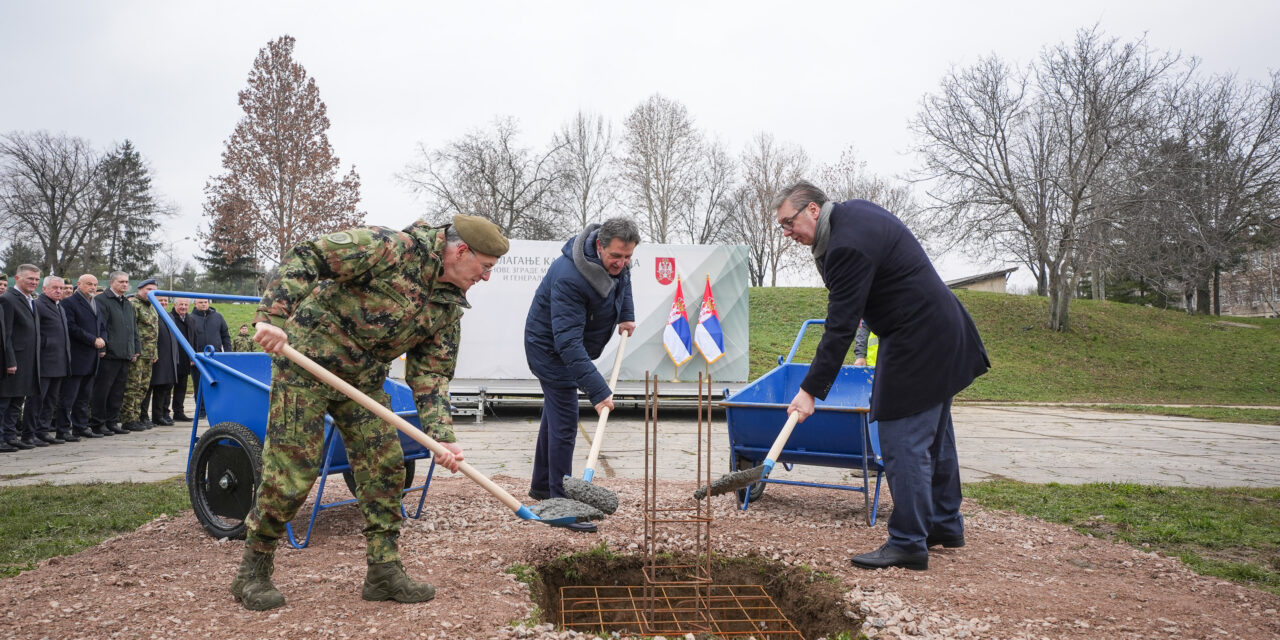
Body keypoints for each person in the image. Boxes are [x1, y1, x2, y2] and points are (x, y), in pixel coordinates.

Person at [231, 214, 508, 611]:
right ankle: (252, 571)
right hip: (306, 362)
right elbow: (311, 257)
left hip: (362, 380)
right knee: (294, 470)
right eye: (485, 268)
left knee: (385, 467)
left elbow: (431, 373)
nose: (486, 278)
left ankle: (383, 570)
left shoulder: (448, 305)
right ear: (461, 251)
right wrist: (272, 317)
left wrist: (441, 437)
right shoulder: (390, 248)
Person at [774, 180, 989, 572]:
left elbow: (840, 326)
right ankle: (943, 523)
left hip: (917, 337)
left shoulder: (845, 245)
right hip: (940, 328)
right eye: (782, 228)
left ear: (813, 211)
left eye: (789, 223)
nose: (788, 234)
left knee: (900, 438)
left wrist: (809, 391)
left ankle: (908, 542)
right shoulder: (852, 216)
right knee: (935, 437)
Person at [523, 217, 638, 533]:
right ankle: (562, 505)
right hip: (550, 350)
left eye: (627, 256)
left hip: (571, 347)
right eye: (616, 256)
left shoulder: (617, 261)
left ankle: (543, 487)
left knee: (554, 414)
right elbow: (567, 342)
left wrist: (626, 315)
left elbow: (623, 281)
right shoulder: (570, 276)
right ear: (599, 245)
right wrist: (598, 391)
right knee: (564, 422)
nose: (622, 262)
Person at [89, 271, 138, 437]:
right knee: (103, 391)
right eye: (121, 282)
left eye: (127, 282)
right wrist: (102, 349)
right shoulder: (102, 300)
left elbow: (133, 329)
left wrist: (134, 349)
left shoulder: (127, 303)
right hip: (109, 355)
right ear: (112, 283)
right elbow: (100, 326)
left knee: (118, 392)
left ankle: (112, 421)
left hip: (125, 354)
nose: (125, 284)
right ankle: (98, 423)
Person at [61, 274, 106, 440]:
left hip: (92, 358)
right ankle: (63, 429)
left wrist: (103, 339)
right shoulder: (69, 303)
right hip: (77, 356)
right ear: (78, 284)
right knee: (69, 397)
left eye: (95, 284)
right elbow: (71, 327)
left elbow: (101, 325)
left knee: (84, 397)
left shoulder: (95, 303)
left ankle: (80, 426)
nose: (93, 287)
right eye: (89, 284)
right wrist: (92, 340)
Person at [1, 265, 42, 449]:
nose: (34, 282)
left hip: (28, 360)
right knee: (5, 401)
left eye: (36, 279)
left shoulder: (31, 299)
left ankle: (10, 437)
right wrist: (10, 361)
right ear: (17, 278)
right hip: (13, 361)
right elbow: (5, 334)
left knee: (17, 401)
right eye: (30, 279)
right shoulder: (8, 299)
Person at [31, 276, 73, 443]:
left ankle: (43, 431)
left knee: (51, 400)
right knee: (37, 400)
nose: (59, 291)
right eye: (55, 287)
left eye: (61, 288)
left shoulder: (59, 307)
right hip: (44, 361)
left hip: (59, 362)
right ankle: (31, 433)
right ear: (44, 289)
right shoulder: (38, 305)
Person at [119, 279, 159, 431]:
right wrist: (132, 351)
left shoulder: (152, 307)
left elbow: (155, 332)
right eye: (148, 289)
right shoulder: (133, 304)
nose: (151, 292)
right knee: (132, 387)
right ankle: (128, 419)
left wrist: (155, 352)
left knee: (143, 387)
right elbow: (129, 330)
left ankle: (137, 416)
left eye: (154, 290)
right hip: (137, 353)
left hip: (149, 354)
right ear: (140, 289)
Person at [188, 297, 231, 418]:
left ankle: (216, 410)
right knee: (199, 385)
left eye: (205, 302)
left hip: (215, 357)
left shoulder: (218, 317)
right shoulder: (190, 318)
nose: (203, 304)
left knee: (216, 384)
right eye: (200, 302)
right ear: (195, 304)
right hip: (198, 358)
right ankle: (201, 411)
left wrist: (228, 354)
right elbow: (187, 338)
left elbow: (225, 336)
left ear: (209, 303)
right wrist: (190, 356)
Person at [145, 295, 179, 426]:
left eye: (165, 300)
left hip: (169, 359)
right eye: (161, 301)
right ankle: (144, 417)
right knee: (150, 389)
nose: (164, 303)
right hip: (155, 358)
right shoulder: (152, 316)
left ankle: (158, 416)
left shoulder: (170, 316)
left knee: (163, 389)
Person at [169, 298, 193, 422]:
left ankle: (179, 412)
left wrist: (192, 356)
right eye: (181, 304)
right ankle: (164, 413)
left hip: (185, 358)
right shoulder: (170, 318)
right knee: (167, 387)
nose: (183, 307)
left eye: (185, 305)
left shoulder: (190, 319)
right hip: (172, 357)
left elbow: (194, 338)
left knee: (182, 387)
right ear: (175, 305)